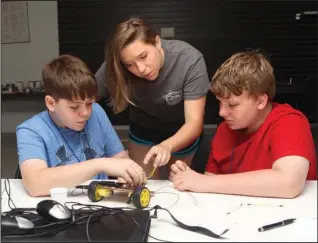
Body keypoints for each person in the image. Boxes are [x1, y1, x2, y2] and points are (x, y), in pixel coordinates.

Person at [169, 50, 317, 198]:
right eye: (220, 103)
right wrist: (187, 179)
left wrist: (201, 182)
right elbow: (210, 187)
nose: (222, 112)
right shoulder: (224, 130)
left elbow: (289, 184)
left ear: (260, 101)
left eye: (232, 105)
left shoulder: (290, 121)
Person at [95, 17, 210, 179]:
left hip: (181, 132)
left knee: (177, 186)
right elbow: (84, 99)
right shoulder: (114, 67)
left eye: (143, 56)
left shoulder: (189, 60)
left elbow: (194, 123)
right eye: (130, 65)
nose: (140, 69)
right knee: (141, 183)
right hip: (143, 130)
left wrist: (167, 146)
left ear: (157, 42)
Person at [16, 55, 146, 197]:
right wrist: (100, 164)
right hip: (64, 207)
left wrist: (126, 174)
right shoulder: (30, 130)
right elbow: (35, 185)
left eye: (89, 103)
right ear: (51, 103)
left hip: (101, 203)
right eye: (74, 107)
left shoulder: (96, 112)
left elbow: (120, 159)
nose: (85, 113)